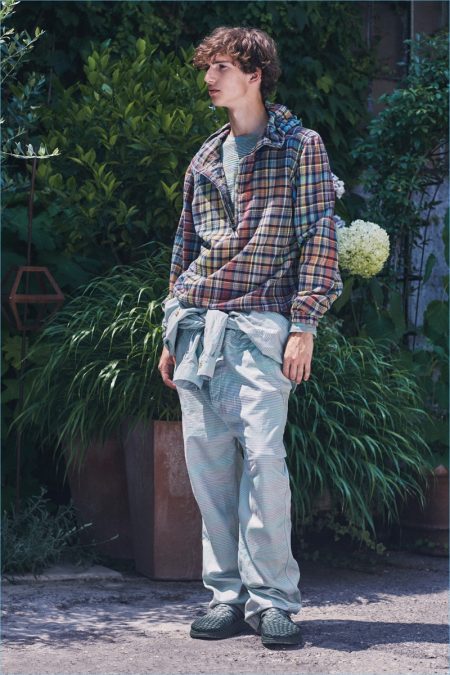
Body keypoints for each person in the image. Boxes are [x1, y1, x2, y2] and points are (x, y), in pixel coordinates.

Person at [158, 26, 343, 647]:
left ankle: (272, 600)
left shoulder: (299, 147)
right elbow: (185, 246)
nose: (209, 78)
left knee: (264, 462)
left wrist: (304, 324)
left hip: (262, 325)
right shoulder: (206, 159)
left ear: (254, 74)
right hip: (197, 325)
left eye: (221, 68)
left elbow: (319, 234)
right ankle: (225, 596)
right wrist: (170, 332)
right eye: (207, 68)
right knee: (209, 469)